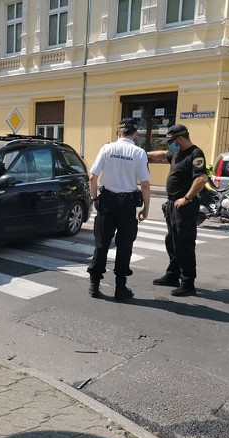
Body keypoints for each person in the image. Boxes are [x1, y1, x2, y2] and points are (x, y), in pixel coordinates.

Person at [87, 118, 151, 301]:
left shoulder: (107, 149)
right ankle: (120, 288)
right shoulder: (139, 153)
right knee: (124, 247)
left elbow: (93, 177)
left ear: (118, 133)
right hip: (127, 206)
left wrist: (93, 199)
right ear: (135, 134)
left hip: (107, 202)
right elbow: (145, 185)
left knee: (101, 244)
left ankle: (94, 285)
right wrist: (146, 208)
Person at [147, 124, 208, 297]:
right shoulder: (176, 152)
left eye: (172, 141)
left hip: (185, 207)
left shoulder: (195, 154)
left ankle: (188, 282)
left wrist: (186, 198)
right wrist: (142, 154)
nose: (170, 145)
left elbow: (201, 179)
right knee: (172, 241)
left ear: (180, 139)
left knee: (184, 244)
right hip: (173, 205)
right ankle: (172, 275)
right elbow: (162, 155)